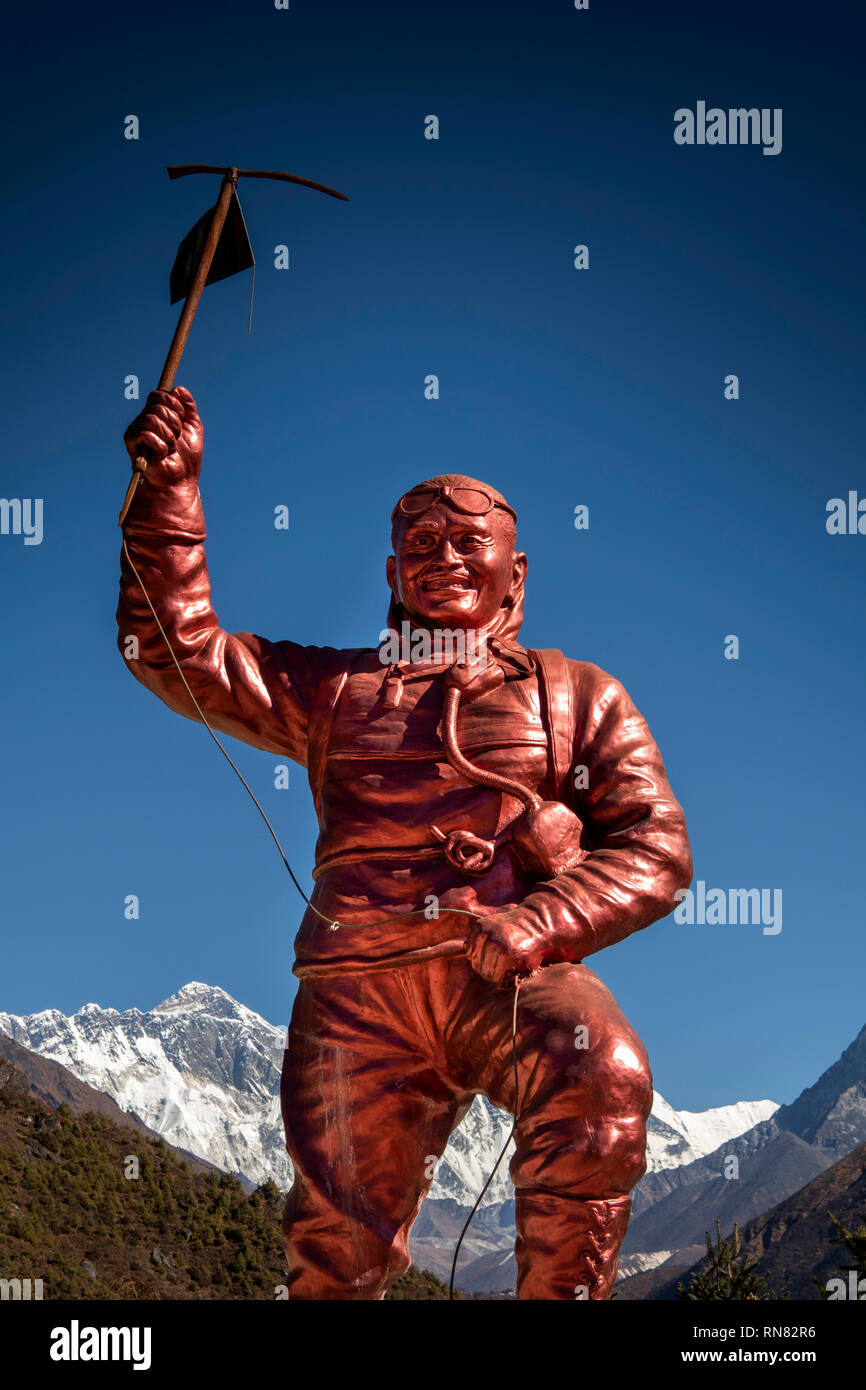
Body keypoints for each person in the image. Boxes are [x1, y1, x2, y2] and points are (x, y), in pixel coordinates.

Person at [117, 386, 692, 1299]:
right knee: (336, 1252)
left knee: (599, 1071)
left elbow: (658, 849)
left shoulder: (578, 694)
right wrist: (170, 493)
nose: (445, 560)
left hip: (507, 974)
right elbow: (172, 650)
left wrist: (544, 917)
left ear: (518, 572)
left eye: (471, 543)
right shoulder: (331, 688)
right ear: (390, 576)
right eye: (420, 546)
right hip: (356, 999)